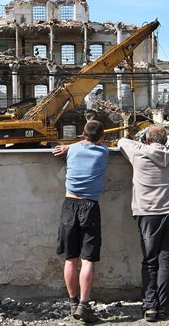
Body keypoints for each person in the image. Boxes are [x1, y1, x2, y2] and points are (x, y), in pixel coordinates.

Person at [117, 124, 169, 322]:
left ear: (147, 140)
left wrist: (146, 145)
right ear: (165, 140)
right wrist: (167, 143)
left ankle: (150, 308)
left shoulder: (139, 153)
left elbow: (122, 141)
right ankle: (163, 306)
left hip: (147, 214)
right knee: (167, 262)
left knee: (149, 261)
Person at [52, 120, 109, 323]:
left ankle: (73, 302)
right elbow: (94, 143)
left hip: (69, 205)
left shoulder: (73, 150)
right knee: (87, 260)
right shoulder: (103, 152)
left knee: (70, 259)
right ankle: (84, 305)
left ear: (83, 134)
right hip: (90, 207)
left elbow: (76, 145)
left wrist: (68, 146)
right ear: (102, 137)